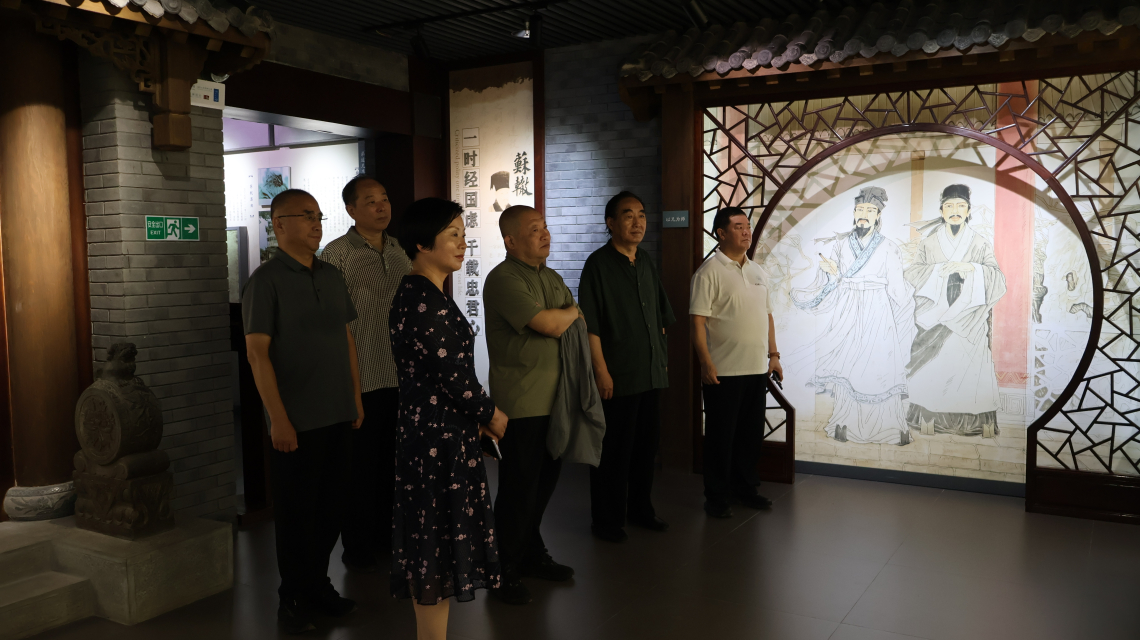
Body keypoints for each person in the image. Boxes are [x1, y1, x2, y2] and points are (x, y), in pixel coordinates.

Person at [242, 189, 365, 634]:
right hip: (296, 419)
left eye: (319, 216)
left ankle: (316, 586)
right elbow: (257, 354)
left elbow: (346, 339)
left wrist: (355, 398)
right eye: (306, 216)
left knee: (332, 508)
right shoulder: (265, 281)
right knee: (297, 515)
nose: (317, 224)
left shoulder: (331, 275)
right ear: (279, 224)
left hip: (337, 412)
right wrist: (277, 418)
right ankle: (292, 597)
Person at [389, 198, 508, 640]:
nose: (463, 243)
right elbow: (453, 375)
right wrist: (492, 414)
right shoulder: (423, 299)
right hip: (436, 441)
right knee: (433, 546)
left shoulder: (425, 293)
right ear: (422, 243)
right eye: (452, 235)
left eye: (463, 234)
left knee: (433, 544)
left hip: (438, 434)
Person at [483, 205, 578, 605]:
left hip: (556, 399)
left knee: (543, 486)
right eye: (534, 229)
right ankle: (501, 569)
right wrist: (571, 311)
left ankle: (530, 554)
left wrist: (567, 314)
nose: (545, 234)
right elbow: (551, 325)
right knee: (519, 491)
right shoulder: (503, 278)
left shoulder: (550, 277)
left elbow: (569, 323)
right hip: (522, 402)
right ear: (510, 240)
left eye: (545, 227)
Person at [322, 176, 412, 573]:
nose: (381, 206)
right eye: (371, 201)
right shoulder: (336, 254)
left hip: (401, 376)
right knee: (358, 469)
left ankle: (386, 538)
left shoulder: (400, 251)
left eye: (385, 198)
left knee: (393, 465)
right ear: (351, 210)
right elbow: (331, 323)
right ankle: (356, 547)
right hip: (361, 377)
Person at [578, 191, 675, 542]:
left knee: (645, 449)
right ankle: (606, 520)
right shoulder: (598, 265)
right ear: (611, 223)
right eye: (628, 215)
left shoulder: (645, 260)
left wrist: (659, 360)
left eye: (642, 215)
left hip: (650, 373)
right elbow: (590, 325)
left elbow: (661, 318)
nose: (638, 222)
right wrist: (601, 371)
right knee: (614, 451)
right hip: (618, 375)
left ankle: (641, 510)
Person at [791, 187, 916, 445]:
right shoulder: (840, 244)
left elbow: (898, 291)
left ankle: (888, 428)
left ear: (878, 215)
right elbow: (836, 281)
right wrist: (831, 272)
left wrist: (909, 301)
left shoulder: (889, 247)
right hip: (848, 309)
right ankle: (844, 423)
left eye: (870, 210)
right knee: (847, 366)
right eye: (859, 209)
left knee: (878, 367)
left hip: (877, 310)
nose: (863, 215)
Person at [690, 207, 782, 519]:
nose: (746, 232)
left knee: (750, 436)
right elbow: (697, 322)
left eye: (748, 226)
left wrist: (774, 356)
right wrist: (705, 362)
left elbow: (767, 316)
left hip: (755, 368)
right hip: (723, 371)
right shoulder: (708, 272)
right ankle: (716, 497)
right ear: (721, 233)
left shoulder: (757, 271)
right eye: (739, 226)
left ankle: (746, 489)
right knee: (721, 438)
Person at [905, 184, 1007, 437]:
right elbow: (913, 273)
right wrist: (938, 271)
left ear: (968, 211)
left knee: (970, 369)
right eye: (949, 206)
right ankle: (929, 419)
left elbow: (997, 277)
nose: (955, 211)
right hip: (935, 315)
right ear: (941, 211)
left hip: (970, 316)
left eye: (961, 206)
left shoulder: (980, 242)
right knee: (935, 368)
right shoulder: (929, 243)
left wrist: (972, 269)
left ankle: (974, 423)